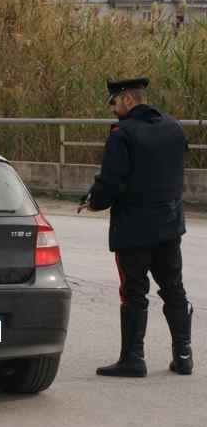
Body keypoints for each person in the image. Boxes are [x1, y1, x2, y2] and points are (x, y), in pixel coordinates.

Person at [80, 77, 193, 377]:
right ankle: (183, 356)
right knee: (173, 288)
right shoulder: (173, 126)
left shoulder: (122, 133)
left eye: (114, 103)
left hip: (133, 230)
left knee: (133, 291)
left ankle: (133, 359)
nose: (113, 110)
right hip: (169, 226)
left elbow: (111, 181)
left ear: (128, 99)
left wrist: (93, 203)